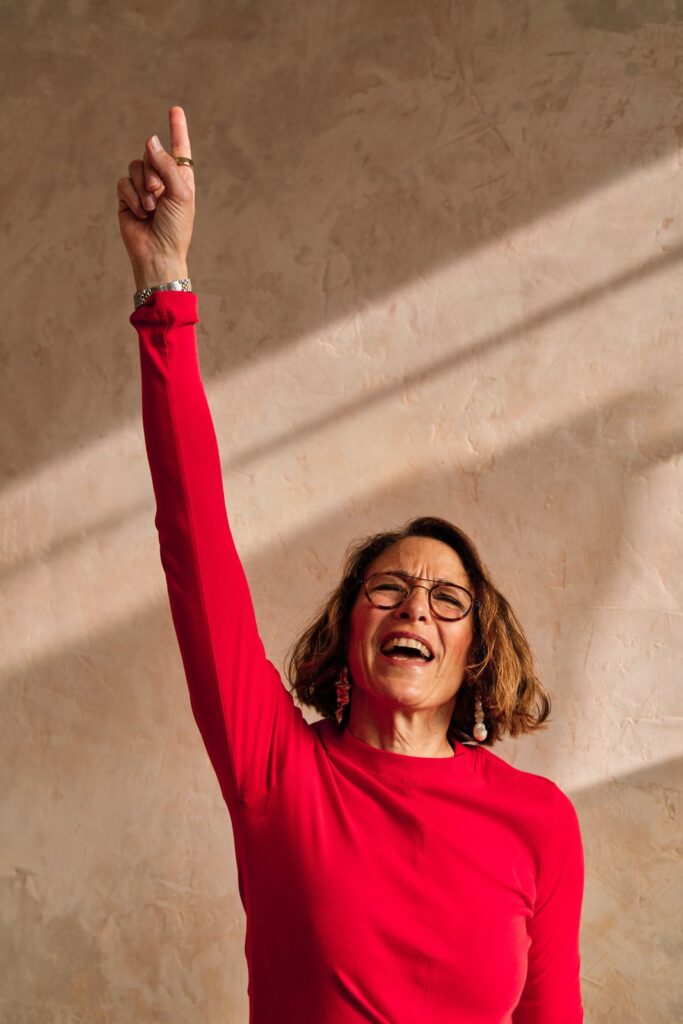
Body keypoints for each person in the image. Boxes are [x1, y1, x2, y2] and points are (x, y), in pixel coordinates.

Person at [118, 106, 585, 1023]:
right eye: (391, 588)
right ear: (350, 628)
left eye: (447, 598)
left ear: (476, 650)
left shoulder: (538, 820)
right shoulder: (277, 773)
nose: (416, 607)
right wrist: (163, 285)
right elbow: (195, 540)